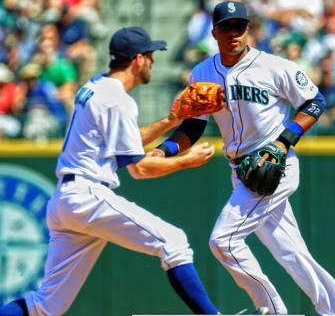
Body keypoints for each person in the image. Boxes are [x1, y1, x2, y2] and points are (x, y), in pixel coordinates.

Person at [150, 1, 335, 316]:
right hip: (240, 171)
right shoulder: (203, 72)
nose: (234, 33)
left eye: (240, 26)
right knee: (292, 253)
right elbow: (193, 125)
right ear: (214, 32)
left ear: (249, 30)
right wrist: (165, 150)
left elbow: (314, 101)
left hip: (273, 166)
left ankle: (272, 310)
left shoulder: (276, 67)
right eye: (227, 27)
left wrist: (283, 142)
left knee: (224, 242)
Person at [0, 27, 219, 316]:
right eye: (151, 56)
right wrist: (186, 160)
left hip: (66, 200)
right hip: (87, 196)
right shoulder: (118, 100)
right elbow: (139, 169)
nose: (153, 62)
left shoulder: (95, 86)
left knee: (45, 306)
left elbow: (125, 140)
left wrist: (172, 119)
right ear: (138, 59)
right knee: (174, 241)